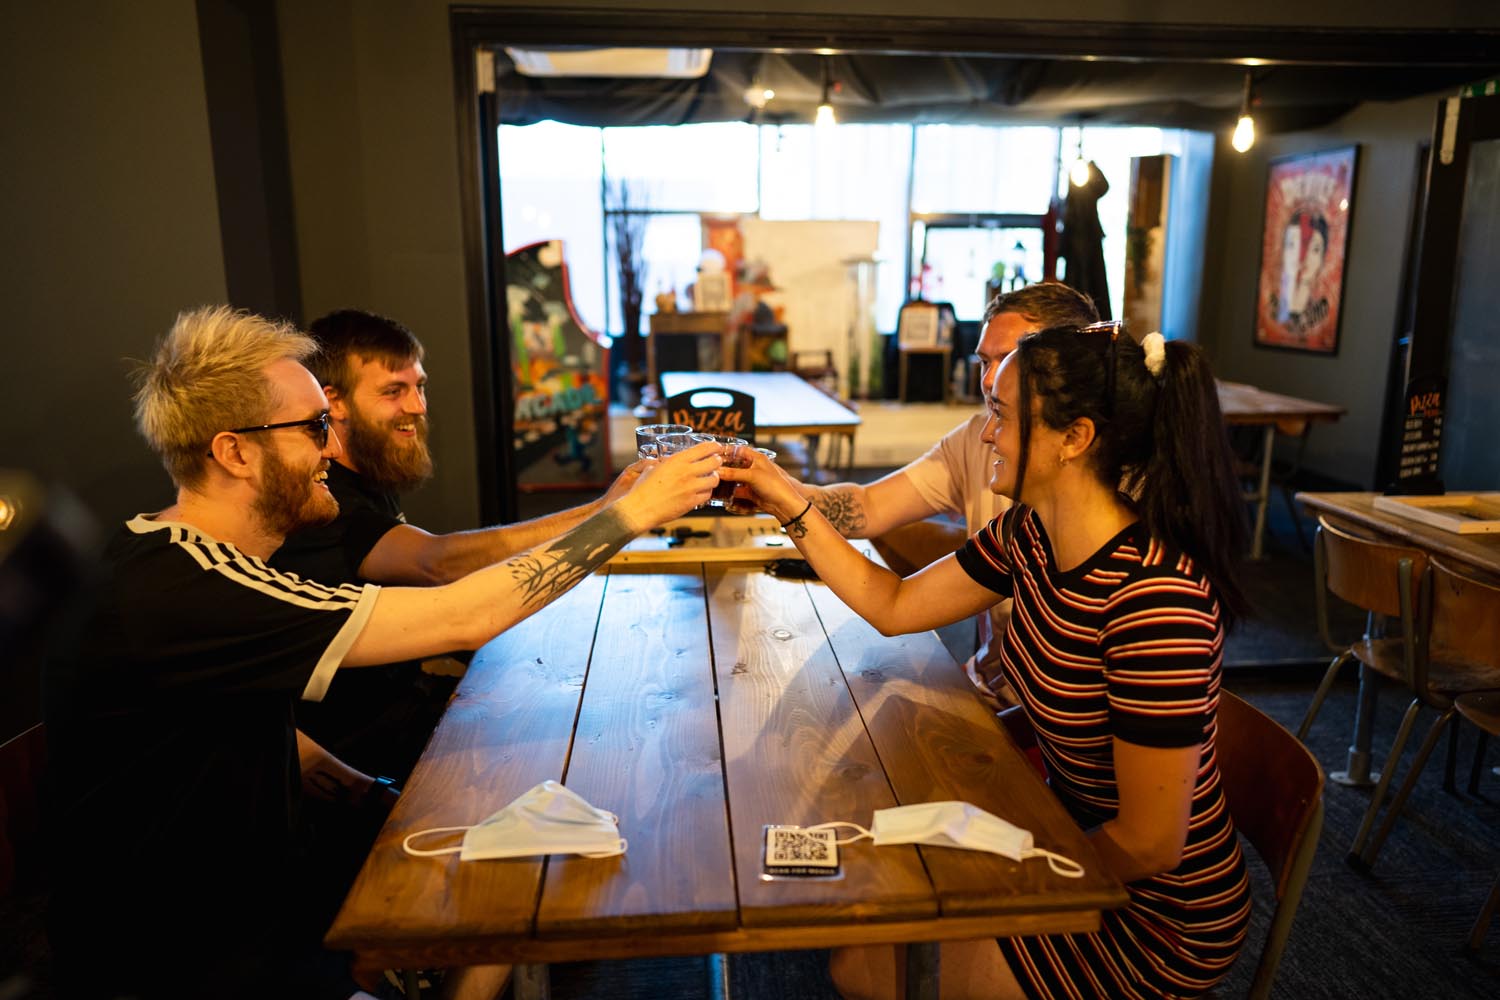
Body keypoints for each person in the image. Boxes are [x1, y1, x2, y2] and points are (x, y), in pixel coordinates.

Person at [43, 306, 720, 1000]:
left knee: (524, 875)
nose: (331, 446)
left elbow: (268, 729)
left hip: (252, 910)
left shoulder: (178, 557)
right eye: (312, 428)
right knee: (520, 903)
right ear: (234, 451)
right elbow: (466, 615)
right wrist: (628, 516)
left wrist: (384, 803)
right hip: (188, 957)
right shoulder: (188, 585)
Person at [721, 321, 1253, 999]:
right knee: (867, 924)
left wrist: (1014, 885)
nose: (987, 435)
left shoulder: (1154, 602)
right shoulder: (1030, 533)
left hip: (1150, 914)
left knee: (866, 964)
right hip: (1069, 834)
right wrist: (785, 500)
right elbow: (893, 605)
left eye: (1001, 416)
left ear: (1075, 438)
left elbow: (1152, 844)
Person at [270, 309, 643, 779]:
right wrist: (611, 510)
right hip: (364, 749)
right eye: (393, 391)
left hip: (410, 707)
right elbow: (436, 563)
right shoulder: (321, 499)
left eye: (419, 386)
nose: (418, 407)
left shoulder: (368, 475)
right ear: (334, 402)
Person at [797, 282, 1098, 707]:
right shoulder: (1016, 527)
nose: (991, 380)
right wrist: (776, 490)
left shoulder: (1132, 557)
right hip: (998, 699)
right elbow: (888, 582)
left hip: (1042, 727)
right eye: (984, 361)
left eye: (1010, 360)